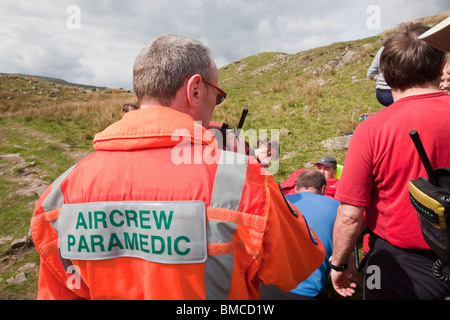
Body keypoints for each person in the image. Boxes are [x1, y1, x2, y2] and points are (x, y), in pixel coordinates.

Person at [31, 34, 324, 300]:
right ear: (195, 90)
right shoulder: (243, 180)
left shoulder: (60, 192)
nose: (216, 106)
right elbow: (299, 265)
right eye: (217, 96)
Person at [330, 23, 450, 300]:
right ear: (441, 64)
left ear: (384, 74)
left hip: (403, 264)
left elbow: (350, 215)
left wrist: (339, 262)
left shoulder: (372, 129)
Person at [260, 169, 339, 300]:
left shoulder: (276, 202)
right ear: (323, 189)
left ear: (296, 188)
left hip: (264, 285)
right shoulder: (337, 206)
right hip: (307, 292)